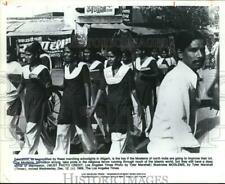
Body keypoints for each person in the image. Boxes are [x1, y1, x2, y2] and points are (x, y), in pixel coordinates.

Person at [147, 30, 206, 153]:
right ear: (180, 53)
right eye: (193, 50)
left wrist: (209, 103)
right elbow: (180, 128)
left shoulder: (185, 75)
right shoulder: (178, 80)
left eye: (202, 49)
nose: (200, 55)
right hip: (169, 149)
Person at [53, 43, 97, 154]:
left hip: (79, 104)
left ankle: (90, 151)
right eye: (65, 52)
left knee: (82, 130)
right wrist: (53, 87)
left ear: (75, 53)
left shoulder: (83, 66)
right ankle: (60, 153)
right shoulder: (66, 66)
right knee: (62, 128)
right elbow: (65, 86)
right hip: (66, 103)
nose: (65, 54)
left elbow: (87, 85)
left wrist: (88, 105)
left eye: (68, 52)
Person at [102, 48, 142, 154]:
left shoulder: (126, 71)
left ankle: (113, 159)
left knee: (118, 134)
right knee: (120, 134)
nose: (109, 59)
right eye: (108, 57)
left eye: (112, 56)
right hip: (111, 107)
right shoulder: (106, 72)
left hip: (123, 107)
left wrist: (138, 105)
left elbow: (132, 90)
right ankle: (132, 155)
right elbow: (102, 89)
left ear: (119, 57)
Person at [18, 41, 53, 154]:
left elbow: (49, 90)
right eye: (25, 54)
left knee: (31, 128)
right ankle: (49, 150)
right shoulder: (25, 69)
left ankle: (26, 155)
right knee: (39, 128)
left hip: (39, 102)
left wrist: (39, 80)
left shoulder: (43, 70)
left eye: (29, 54)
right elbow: (22, 84)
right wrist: (14, 95)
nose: (26, 57)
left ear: (36, 55)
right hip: (28, 102)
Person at [84, 48, 110, 143]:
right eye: (85, 52)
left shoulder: (98, 64)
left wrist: (92, 78)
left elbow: (102, 80)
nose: (86, 54)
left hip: (97, 92)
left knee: (100, 114)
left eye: (88, 52)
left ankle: (106, 136)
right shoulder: (83, 64)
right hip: (87, 92)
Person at [134, 48, 159, 138]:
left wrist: (145, 75)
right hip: (138, 89)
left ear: (143, 50)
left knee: (148, 109)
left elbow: (157, 74)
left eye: (138, 50)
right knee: (139, 109)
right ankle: (140, 130)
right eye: (136, 51)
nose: (137, 52)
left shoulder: (151, 60)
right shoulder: (136, 60)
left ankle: (148, 129)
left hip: (148, 89)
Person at [6, 45, 24, 153]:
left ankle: (16, 147)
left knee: (9, 124)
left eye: (8, 53)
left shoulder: (16, 65)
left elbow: (19, 83)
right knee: (9, 124)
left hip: (13, 98)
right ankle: (20, 137)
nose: (6, 55)